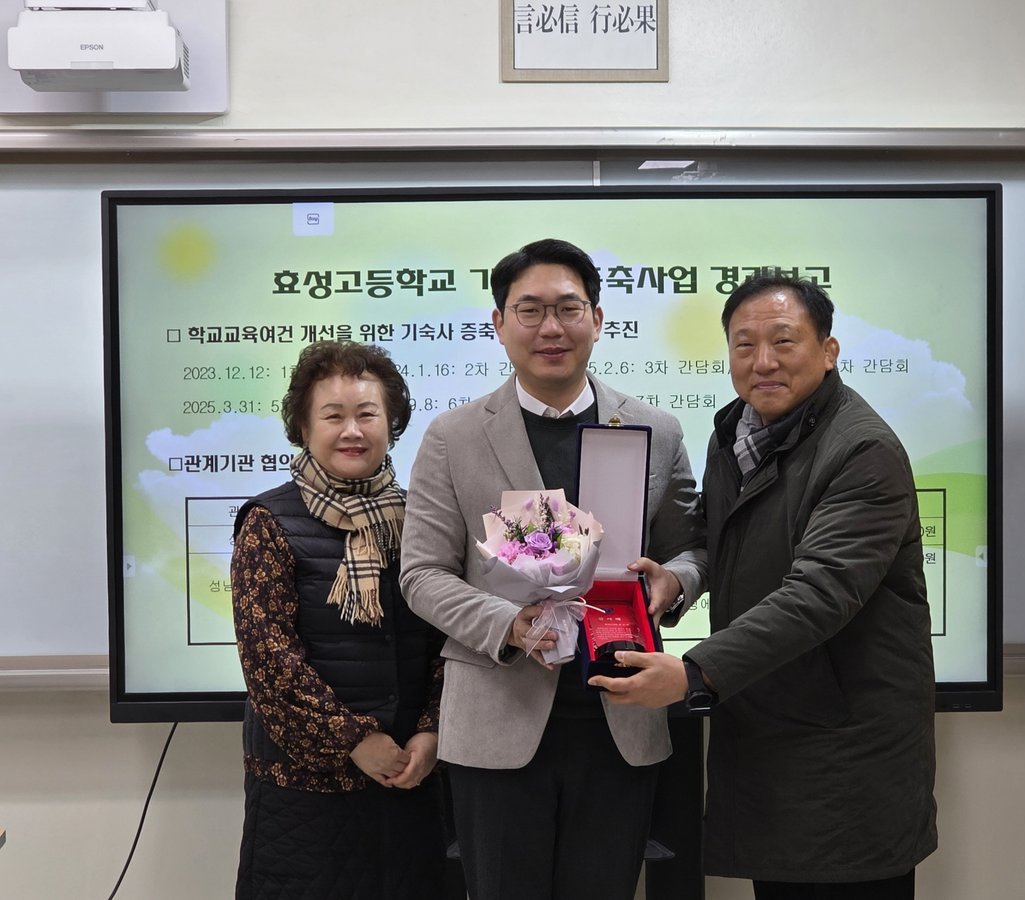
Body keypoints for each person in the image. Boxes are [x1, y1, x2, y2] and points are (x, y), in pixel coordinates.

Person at [591, 274, 938, 899]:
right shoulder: (737, 433)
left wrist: (694, 672)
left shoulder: (861, 450)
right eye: (744, 344)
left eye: (783, 341)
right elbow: (719, 539)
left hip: (845, 752)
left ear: (828, 351)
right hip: (769, 733)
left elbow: (819, 594)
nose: (763, 361)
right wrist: (676, 578)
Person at [399, 237, 706, 900]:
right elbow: (421, 574)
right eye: (530, 310)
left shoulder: (655, 429)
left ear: (597, 319)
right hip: (498, 721)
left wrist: (675, 580)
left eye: (568, 308)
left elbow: (694, 548)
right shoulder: (453, 437)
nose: (550, 328)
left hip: (620, 718)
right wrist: (509, 625)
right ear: (499, 322)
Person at [231, 340, 446, 899]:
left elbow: (448, 638)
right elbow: (269, 660)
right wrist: (354, 739)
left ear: (391, 425)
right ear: (304, 428)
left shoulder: (421, 519)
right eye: (333, 416)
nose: (352, 430)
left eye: (367, 414)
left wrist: (431, 731)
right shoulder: (269, 522)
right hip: (306, 793)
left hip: (411, 776)